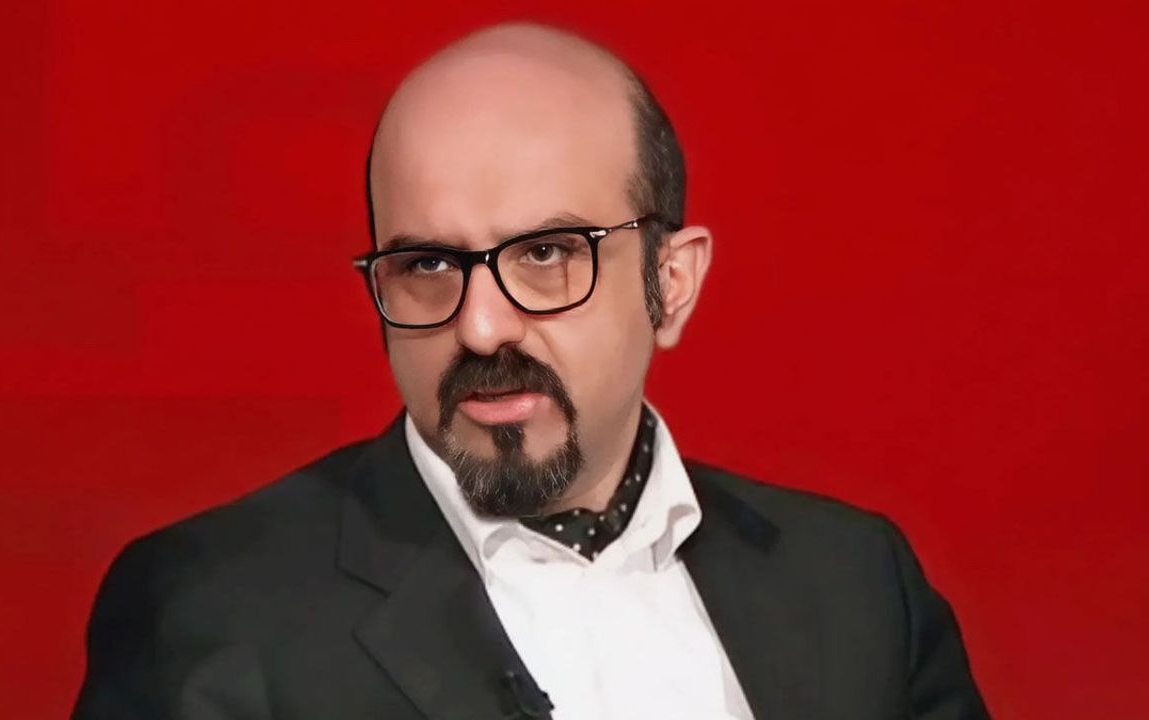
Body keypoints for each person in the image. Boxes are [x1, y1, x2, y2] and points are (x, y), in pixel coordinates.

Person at [73, 22, 989, 720]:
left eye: (548, 254)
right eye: (429, 265)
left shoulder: (857, 583)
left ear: (671, 283)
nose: (480, 328)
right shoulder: (206, 613)